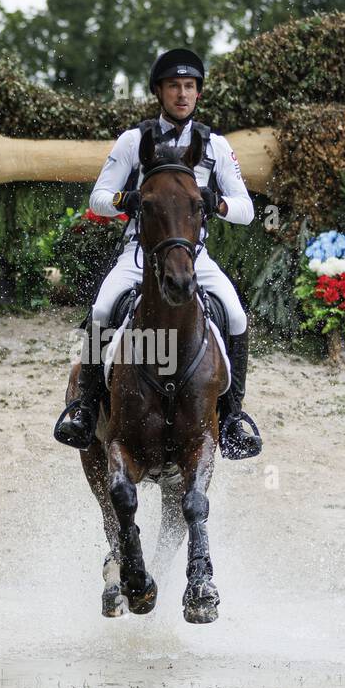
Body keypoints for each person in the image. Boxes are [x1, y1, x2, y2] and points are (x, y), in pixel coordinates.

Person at [53, 48, 262, 460]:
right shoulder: (134, 141)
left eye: (189, 87)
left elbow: (247, 210)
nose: (182, 94)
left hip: (193, 254)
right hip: (140, 255)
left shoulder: (215, 146)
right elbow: (97, 199)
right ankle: (86, 408)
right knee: (101, 310)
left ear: (198, 93)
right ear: (159, 92)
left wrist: (215, 202)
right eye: (173, 87)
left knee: (235, 314)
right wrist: (126, 198)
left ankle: (234, 415)